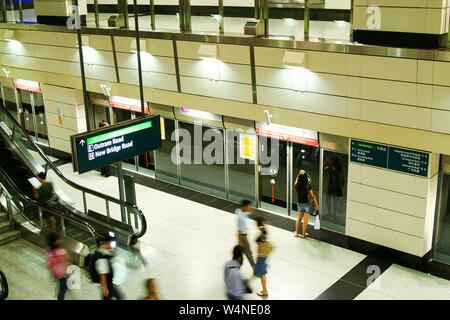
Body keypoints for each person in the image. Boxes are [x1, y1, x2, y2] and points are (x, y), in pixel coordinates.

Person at [95, 235, 123, 300]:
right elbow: (102, 274)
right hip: (107, 284)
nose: (112, 246)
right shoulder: (102, 258)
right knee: (120, 298)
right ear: (108, 243)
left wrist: (112, 254)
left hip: (107, 284)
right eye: (112, 243)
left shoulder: (101, 250)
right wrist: (105, 288)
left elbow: (109, 254)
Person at [293, 170, 319, 239]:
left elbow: (297, 179)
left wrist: (299, 174)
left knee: (299, 218)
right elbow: (313, 196)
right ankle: (303, 234)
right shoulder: (308, 186)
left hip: (299, 204)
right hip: (307, 204)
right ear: (306, 178)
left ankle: (296, 233)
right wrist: (316, 205)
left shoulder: (296, 185)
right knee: (305, 220)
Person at [45, 232, 71, 300]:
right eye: (58, 239)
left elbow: (48, 263)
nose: (60, 240)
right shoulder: (61, 251)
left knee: (62, 283)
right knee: (62, 289)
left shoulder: (48, 249)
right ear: (56, 241)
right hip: (62, 273)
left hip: (55, 273)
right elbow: (68, 258)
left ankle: (65, 287)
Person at [235, 199, 256, 273]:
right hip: (243, 238)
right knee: (248, 253)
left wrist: (250, 209)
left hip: (243, 237)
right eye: (248, 206)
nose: (250, 208)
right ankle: (255, 269)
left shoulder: (241, 211)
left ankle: (235, 267)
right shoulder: (240, 218)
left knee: (240, 255)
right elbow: (239, 232)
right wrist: (240, 242)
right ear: (244, 206)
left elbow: (242, 211)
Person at [255, 218, 273, 297]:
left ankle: (264, 291)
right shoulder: (264, 232)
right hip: (264, 257)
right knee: (262, 274)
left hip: (261, 257)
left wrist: (258, 255)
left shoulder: (261, 236)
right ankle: (264, 290)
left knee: (262, 275)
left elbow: (260, 247)